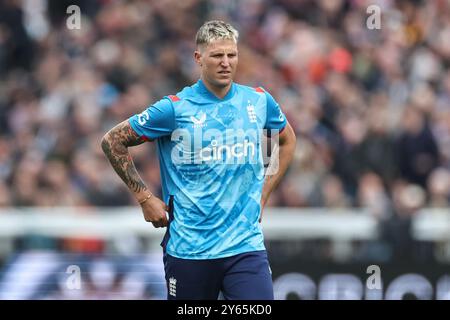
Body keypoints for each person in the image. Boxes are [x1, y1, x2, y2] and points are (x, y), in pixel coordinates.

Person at [101, 20, 296, 300]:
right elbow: (113, 141)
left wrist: (263, 192)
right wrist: (144, 197)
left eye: (232, 55)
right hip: (189, 249)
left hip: (244, 247)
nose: (226, 62)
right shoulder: (174, 109)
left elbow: (285, 139)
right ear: (198, 58)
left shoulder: (258, 102)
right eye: (217, 55)